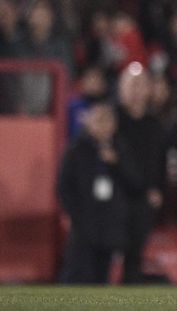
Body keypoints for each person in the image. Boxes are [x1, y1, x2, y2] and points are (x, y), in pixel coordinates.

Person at [57, 100, 142, 283]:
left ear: (114, 125)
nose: (103, 125)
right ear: (89, 122)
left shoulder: (122, 148)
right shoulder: (77, 148)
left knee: (102, 274)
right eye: (98, 120)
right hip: (85, 220)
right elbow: (64, 186)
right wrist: (75, 213)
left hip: (111, 221)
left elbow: (136, 183)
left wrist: (117, 163)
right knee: (78, 270)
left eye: (107, 120)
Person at [116, 62, 167, 283]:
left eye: (140, 85)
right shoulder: (111, 120)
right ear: (121, 89)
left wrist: (158, 189)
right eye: (131, 85)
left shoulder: (155, 124)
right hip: (114, 196)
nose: (136, 91)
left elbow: (161, 161)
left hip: (144, 197)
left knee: (135, 251)